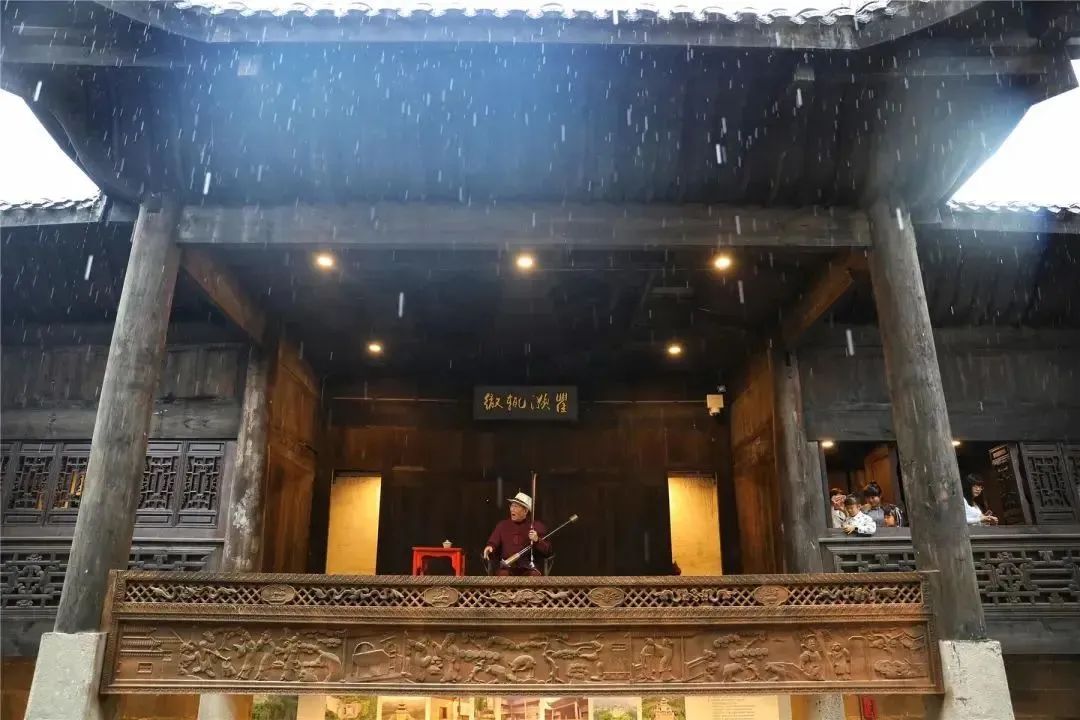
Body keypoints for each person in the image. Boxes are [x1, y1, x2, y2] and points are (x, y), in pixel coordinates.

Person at [483, 492, 551, 576]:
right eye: (511, 506)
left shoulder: (536, 526)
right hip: (507, 567)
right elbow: (493, 543)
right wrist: (490, 547)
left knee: (534, 577)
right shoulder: (502, 525)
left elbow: (547, 551)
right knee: (503, 576)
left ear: (525, 511)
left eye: (516, 506)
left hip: (529, 567)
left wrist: (537, 540)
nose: (512, 509)